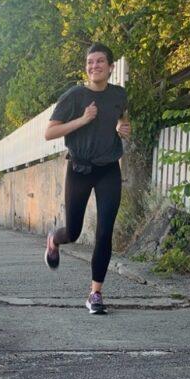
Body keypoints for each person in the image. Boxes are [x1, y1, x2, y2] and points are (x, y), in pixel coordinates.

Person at [43, 43, 131, 314]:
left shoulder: (119, 94)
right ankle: (53, 241)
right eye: (90, 62)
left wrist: (123, 128)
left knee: (105, 232)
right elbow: (49, 133)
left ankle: (95, 294)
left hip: (108, 169)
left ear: (111, 67)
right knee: (73, 231)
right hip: (79, 169)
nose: (94, 66)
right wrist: (83, 119)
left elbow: (122, 119)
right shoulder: (74, 96)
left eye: (100, 61)